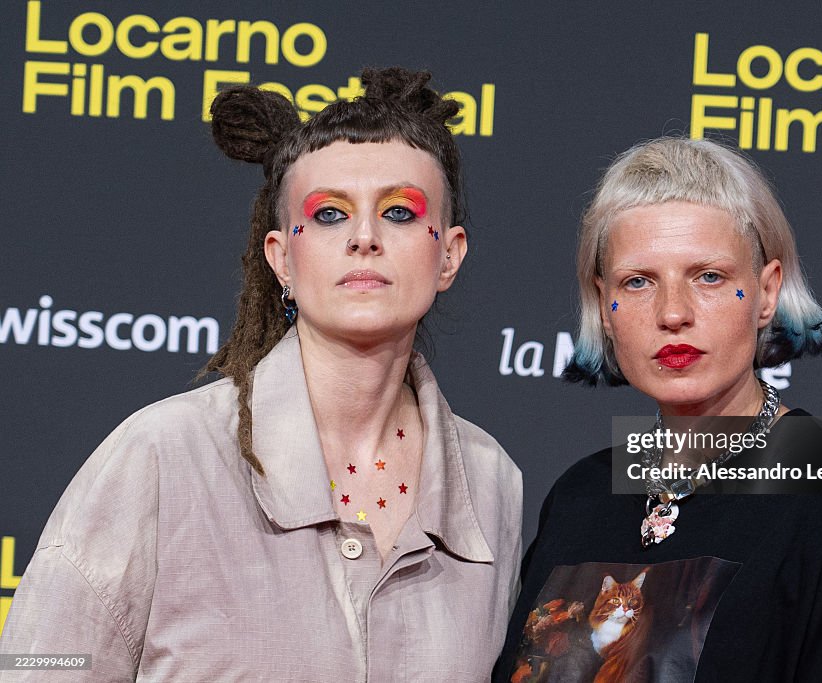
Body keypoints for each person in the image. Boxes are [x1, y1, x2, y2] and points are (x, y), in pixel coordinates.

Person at [0, 67, 522, 681]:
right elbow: (37, 663)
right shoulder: (164, 455)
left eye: (401, 213)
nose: (363, 237)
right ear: (281, 259)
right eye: (328, 214)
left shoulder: (492, 483)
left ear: (449, 255)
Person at [494, 137, 822, 682]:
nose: (673, 312)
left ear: (766, 292)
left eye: (709, 276)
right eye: (639, 281)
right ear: (605, 307)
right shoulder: (581, 495)